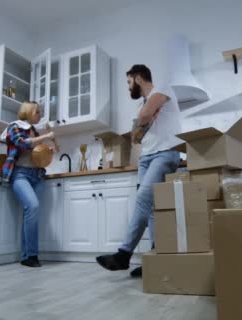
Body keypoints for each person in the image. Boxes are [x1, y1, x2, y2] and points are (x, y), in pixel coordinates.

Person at [96, 64, 182, 277]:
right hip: (145, 158)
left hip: (165, 153)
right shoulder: (145, 103)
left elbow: (142, 120)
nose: (128, 87)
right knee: (150, 209)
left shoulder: (163, 87)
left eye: (128, 82)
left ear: (138, 77)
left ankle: (124, 254)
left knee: (143, 198)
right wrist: (145, 117)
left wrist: (144, 118)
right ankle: (154, 259)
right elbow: (135, 137)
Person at [0, 101, 55, 268]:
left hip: (36, 175)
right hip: (20, 174)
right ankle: (32, 254)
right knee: (33, 206)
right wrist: (45, 137)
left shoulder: (34, 131)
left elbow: (35, 154)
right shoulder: (14, 126)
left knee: (30, 213)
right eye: (37, 111)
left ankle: (26, 256)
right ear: (28, 112)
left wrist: (46, 151)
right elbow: (22, 143)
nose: (39, 114)